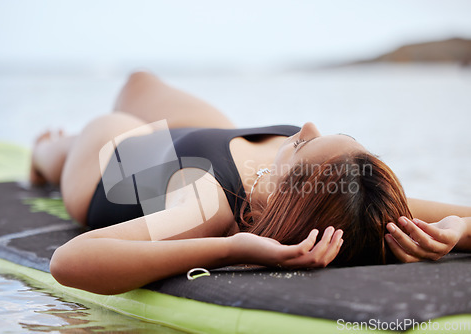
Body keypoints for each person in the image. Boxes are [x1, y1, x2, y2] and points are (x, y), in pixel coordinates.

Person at [30, 72, 471, 295]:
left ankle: (43, 151)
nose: (308, 124)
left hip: (127, 164)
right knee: (138, 81)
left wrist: (230, 249)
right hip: (211, 139)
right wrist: (456, 229)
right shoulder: (352, 192)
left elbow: (68, 262)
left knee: (100, 127)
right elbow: (463, 218)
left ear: (290, 195)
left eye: (301, 145)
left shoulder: (208, 206)